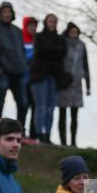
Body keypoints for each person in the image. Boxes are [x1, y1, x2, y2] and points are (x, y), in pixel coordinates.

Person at [29, 14, 66, 144]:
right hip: (40, 76)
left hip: (54, 76)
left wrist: (50, 52)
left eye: (54, 21)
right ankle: (39, 134)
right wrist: (53, 51)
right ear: (46, 22)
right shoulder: (39, 37)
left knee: (50, 108)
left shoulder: (61, 39)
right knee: (41, 106)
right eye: (50, 21)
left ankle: (47, 135)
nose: (52, 24)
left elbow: (62, 54)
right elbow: (40, 53)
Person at [0, 2, 27, 123]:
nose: (7, 14)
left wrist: (23, 65)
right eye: (4, 12)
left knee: (23, 104)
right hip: (2, 72)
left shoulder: (17, 31)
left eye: (9, 12)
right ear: (0, 14)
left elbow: (21, 50)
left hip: (18, 72)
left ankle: (20, 132)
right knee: (0, 103)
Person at [57, 22, 90, 147]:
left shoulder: (81, 46)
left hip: (77, 83)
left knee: (74, 114)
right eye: (72, 32)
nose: (74, 34)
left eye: (76, 32)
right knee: (62, 113)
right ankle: (63, 141)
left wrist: (88, 85)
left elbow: (86, 65)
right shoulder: (62, 43)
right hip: (65, 82)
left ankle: (73, 141)